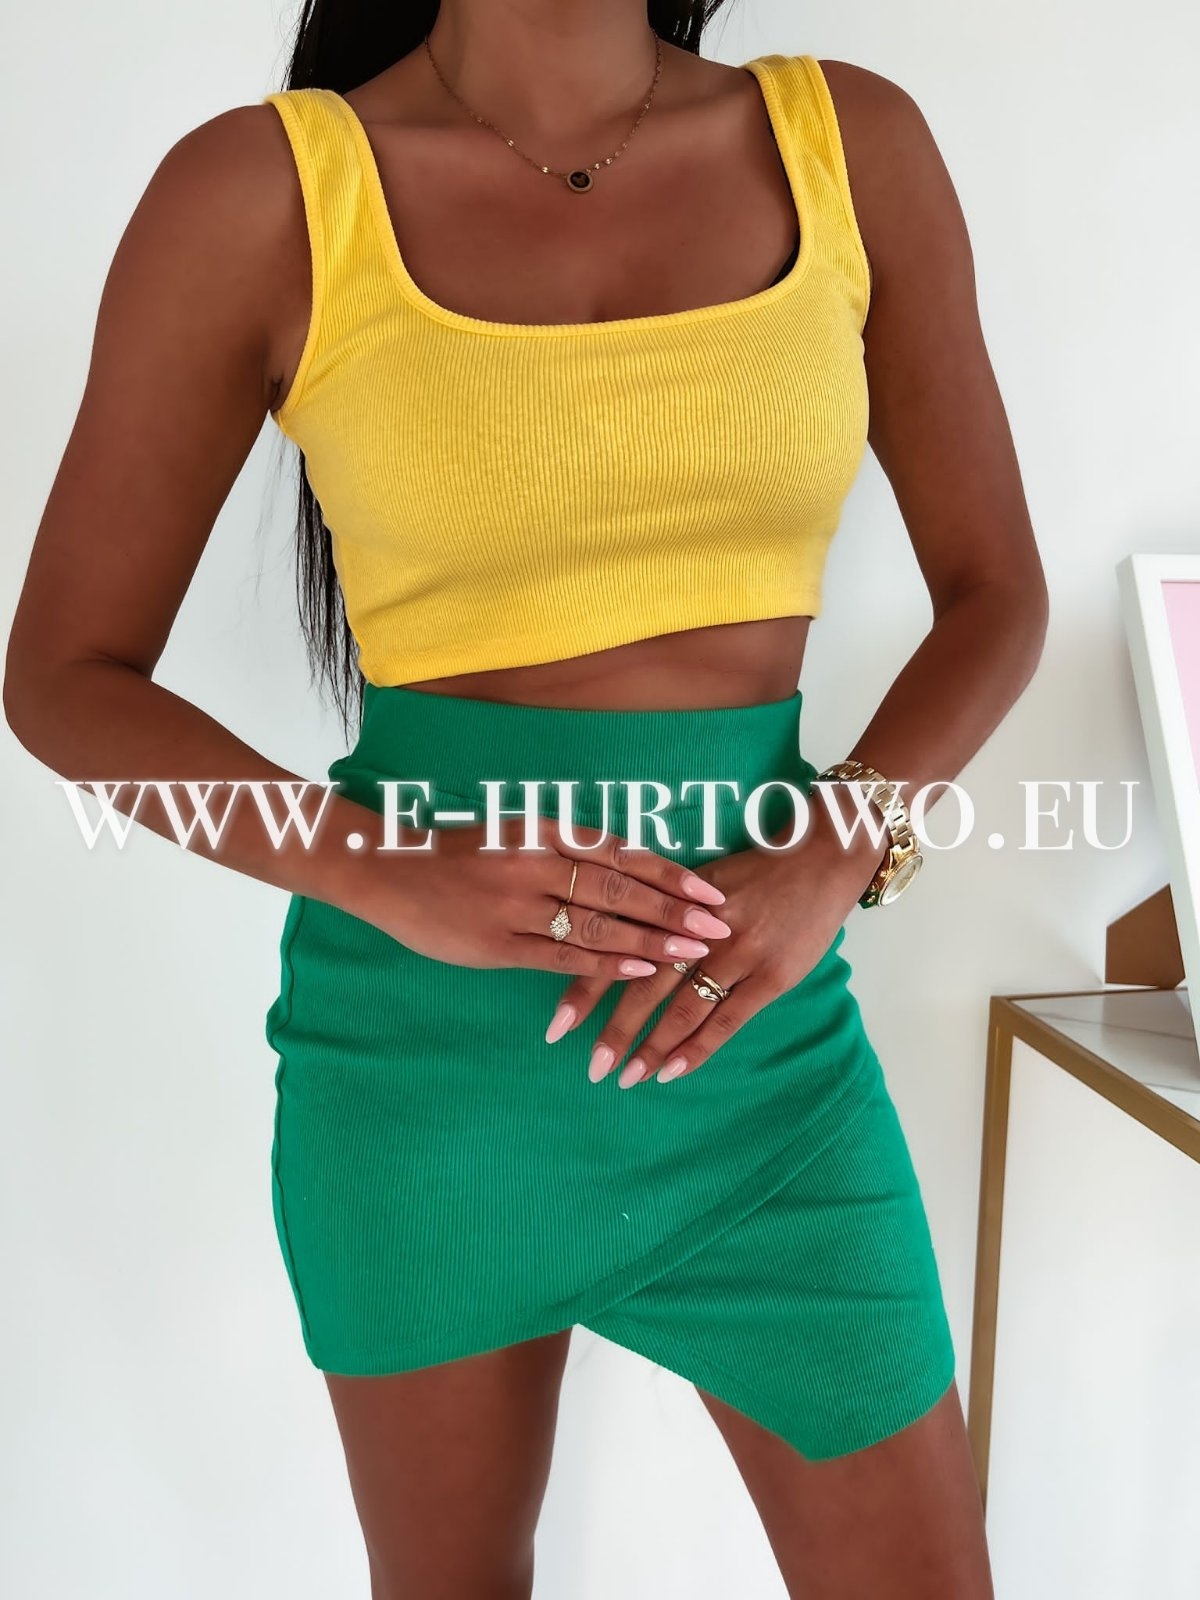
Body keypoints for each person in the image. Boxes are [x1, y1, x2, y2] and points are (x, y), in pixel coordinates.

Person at [3, 2, 1047, 1595]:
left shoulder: (851, 148)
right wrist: (387, 871)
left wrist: (839, 847)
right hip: (427, 1077)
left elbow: (997, 592)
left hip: (762, 1056)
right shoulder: (264, 195)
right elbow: (64, 675)